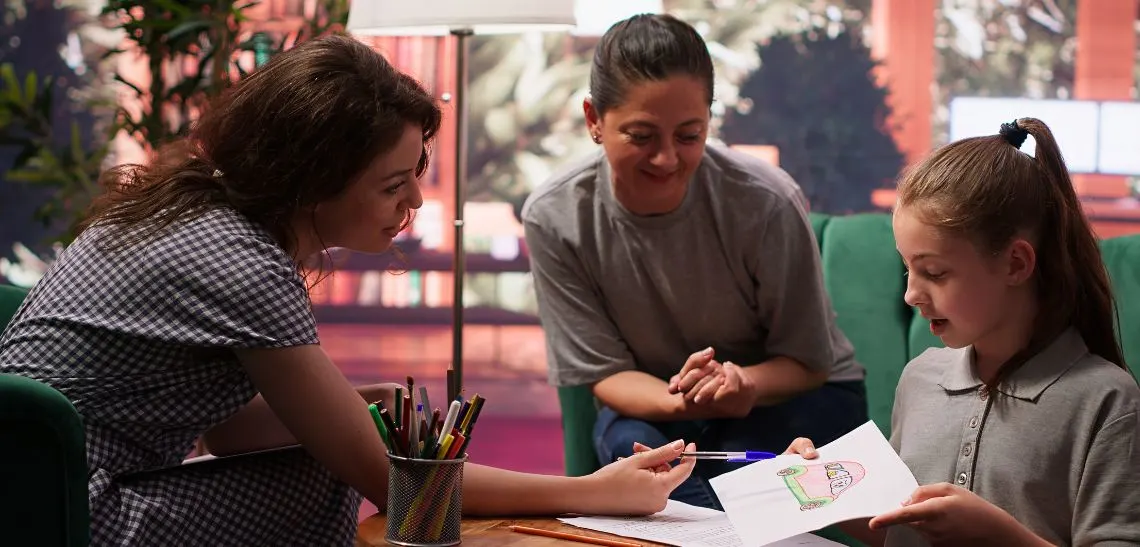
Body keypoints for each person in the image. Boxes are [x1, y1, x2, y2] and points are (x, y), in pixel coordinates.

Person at [0, 35, 697, 546]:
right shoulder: (243, 263)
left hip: (31, 490)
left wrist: (349, 406)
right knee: (323, 483)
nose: (416, 201)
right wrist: (589, 493)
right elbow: (388, 476)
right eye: (395, 184)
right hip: (61, 513)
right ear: (311, 179)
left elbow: (230, 429)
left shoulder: (193, 212)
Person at [521, 13, 866, 511]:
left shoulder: (765, 201)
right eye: (641, 136)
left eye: (688, 135)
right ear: (594, 119)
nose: (666, 159)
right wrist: (682, 401)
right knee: (634, 453)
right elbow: (605, 372)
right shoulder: (556, 217)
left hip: (790, 395)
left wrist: (742, 384)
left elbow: (809, 365)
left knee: (732, 471)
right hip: (657, 404)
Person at [784, 118, 1140, 546]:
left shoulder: (1106, 402)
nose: (911, 294)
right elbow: (901, 532)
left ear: (1015, 264)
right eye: (907, 269)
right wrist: (821, 495)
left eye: (934, 272)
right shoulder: (920, 379)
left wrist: (999, 536)